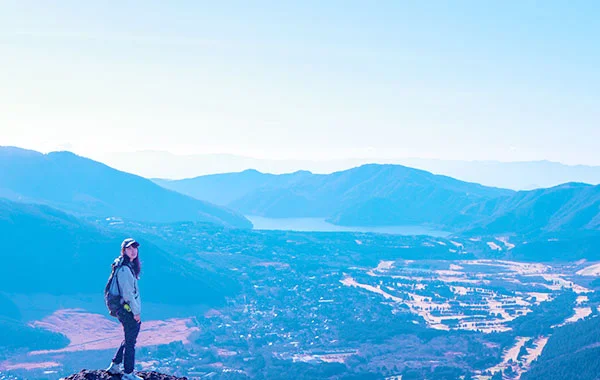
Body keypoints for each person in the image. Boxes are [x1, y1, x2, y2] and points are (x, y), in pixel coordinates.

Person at [106, 238, 143, 380]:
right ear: (124, 251)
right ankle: (128, 373)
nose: (133, 251)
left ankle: (115, 365)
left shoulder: (124, 266)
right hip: (127, 309)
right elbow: (128, 294)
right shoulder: (125, 269)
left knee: (129, 338)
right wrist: (136, 313)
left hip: (123, 308)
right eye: (129, 248)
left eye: (135, 248)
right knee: (131, 343)